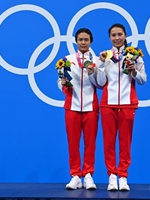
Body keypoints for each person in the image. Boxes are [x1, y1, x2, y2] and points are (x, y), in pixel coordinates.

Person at [97, 23, 147, 191]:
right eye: (113, 35)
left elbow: (143, 80)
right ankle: (112, 176)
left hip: (127, 103)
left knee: (125, 142)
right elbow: (100, 82)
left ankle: (123, 176)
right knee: (108, 142)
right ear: (109, 37)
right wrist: (102, 64)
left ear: (125, 35)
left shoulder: (134, 55)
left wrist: (134, 71)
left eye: (120, 34)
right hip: (108, 104)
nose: (117, 38)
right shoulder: (105, 56)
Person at [57, 28, 101, 190]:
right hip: (72, 106)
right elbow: (60, 81)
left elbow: (101, 83)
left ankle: (88, 174)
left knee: (90, 143)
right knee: (73, 143)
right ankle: (75, 175)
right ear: (76, 41)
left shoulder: (97, 61)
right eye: (80, 39)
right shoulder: (67, 60)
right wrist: (61, 83)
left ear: (91, 41)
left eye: (86, 40)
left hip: (91, 107)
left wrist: (93, 73)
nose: (83, 42)